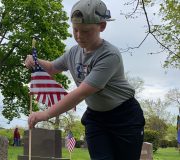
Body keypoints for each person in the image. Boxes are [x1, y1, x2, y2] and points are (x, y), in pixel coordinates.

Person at [24, 0, 145, 159]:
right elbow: (53, 68)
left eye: (86, 31)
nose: (79, 36)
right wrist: (36, 61)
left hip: (125, 118)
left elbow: (81, 94)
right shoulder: (73, 53)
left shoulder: (109, 55)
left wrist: (46, 114)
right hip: (96, 119)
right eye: (75, 30)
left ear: (102, 26)